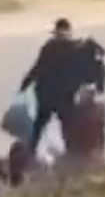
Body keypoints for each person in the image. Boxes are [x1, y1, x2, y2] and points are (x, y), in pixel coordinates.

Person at [20, 18, 82, 152]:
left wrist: (25, 84)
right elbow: (82, 72)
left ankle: (31, 151)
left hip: (46, 93)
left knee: (40, 124)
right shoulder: (75, 48)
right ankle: (71, 151)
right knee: (67, 124)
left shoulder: (49, 47)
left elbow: (37, 68)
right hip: (63, 94)